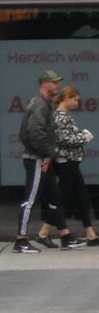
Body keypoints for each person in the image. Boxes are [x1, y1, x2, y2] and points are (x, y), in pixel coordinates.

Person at [14, 70, 78, 252]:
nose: (58, 86)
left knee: (55, 197)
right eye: (54, 82)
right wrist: (47, 155)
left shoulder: (41, 103)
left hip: (41, 157)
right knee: (30, 199)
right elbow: (35, 134)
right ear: (45, 84)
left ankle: (64, 235)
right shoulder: (40, 105)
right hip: (38, 159)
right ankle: (21, 240)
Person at [50, 85, 98, 246]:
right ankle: (44, 231)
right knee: (64, 196)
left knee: (82, 196)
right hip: (66, 162)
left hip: (71, 161)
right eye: (75, 100)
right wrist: (84, 137)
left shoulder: (63, 116)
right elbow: (65, 140)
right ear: (67, 98)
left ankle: (90, 233)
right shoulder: (60, 117)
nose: (77, 103)